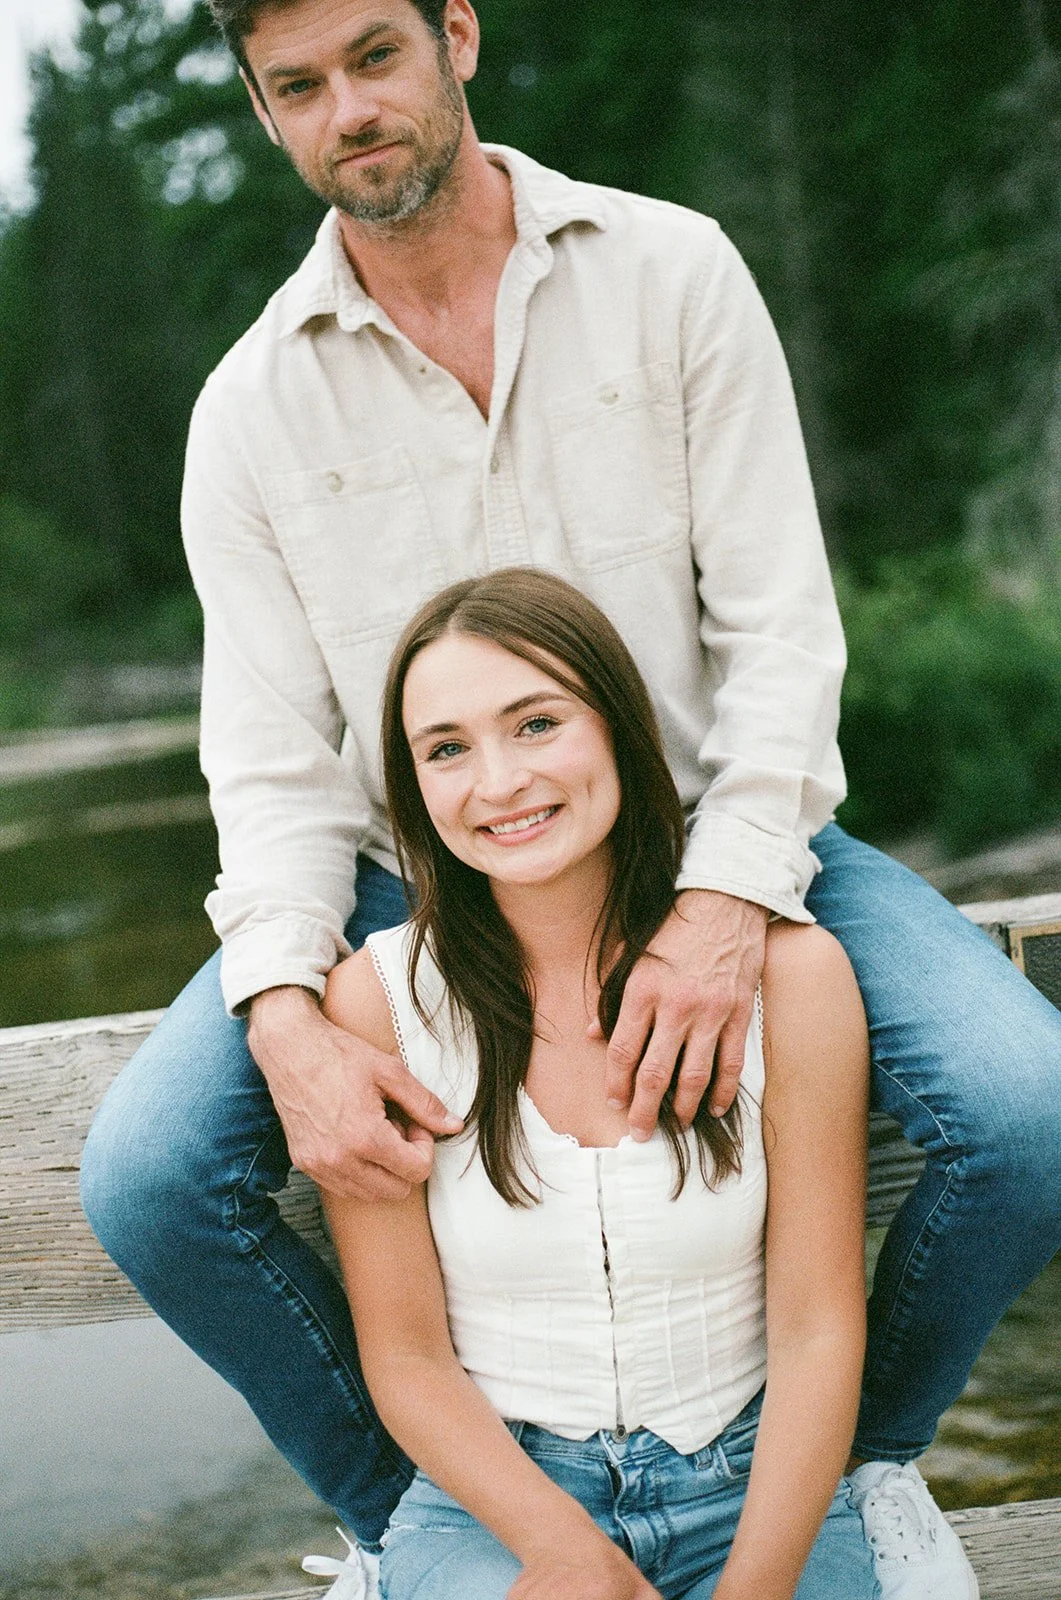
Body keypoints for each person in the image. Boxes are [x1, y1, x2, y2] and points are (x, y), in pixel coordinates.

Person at [78, 3, 1060, 1598]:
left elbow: (782, 634)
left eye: (376, 56)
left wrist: (730, 900)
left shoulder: (670, 274)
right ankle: (427, 1525)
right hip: (421, 875)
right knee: (143, 1180)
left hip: (719, 829)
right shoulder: (250, 409)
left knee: (1026, 1107)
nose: (351, 111)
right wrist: (281, 1009)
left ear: (456, 34)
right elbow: (265, 769)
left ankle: (840, 1473)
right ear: (265, 113)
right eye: (300, 88)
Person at [320, 565, 877, 1600]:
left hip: (752, 1480)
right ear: (413, 786)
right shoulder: (376, 1004)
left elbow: (816, 1328)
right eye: (446, 749)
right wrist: (563, 1550)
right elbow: (406, 1358)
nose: (496, 782)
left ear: (618, 726)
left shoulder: (792, 980)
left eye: (535, 724)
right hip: (497, 1500)